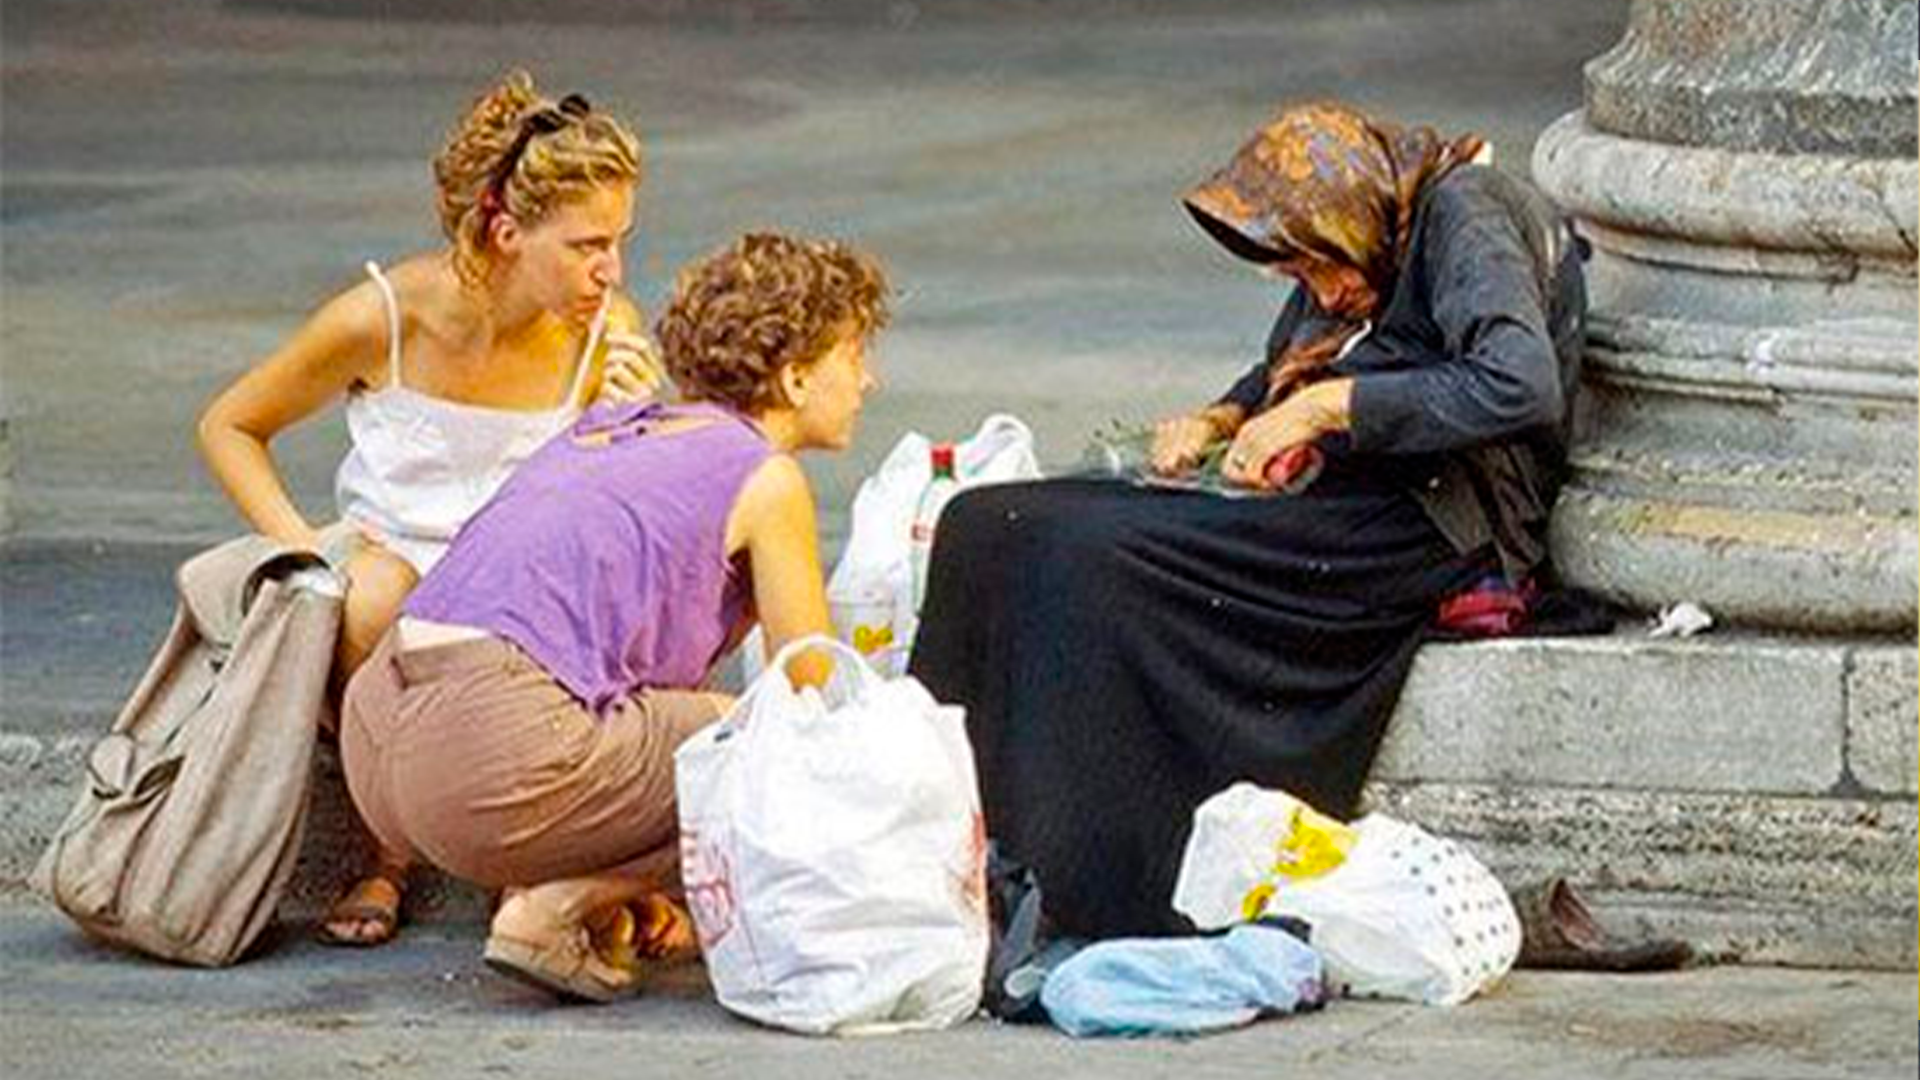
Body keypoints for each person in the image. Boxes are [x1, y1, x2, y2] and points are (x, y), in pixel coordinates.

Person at [909, 101, 1586, 940]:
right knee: (989, 523)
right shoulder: (1368, 231)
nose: (1324, 292)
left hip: (1431, 519)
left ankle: (1085, 876)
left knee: (1088, 555)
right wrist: (1223, 419)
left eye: (1319, 267)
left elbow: (1518, 382)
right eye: (1299, 275)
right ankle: (945, 849)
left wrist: (1325, 412)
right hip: (1348, 489)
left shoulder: (1462, 213)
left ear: (1350, 213)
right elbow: (1282, 370)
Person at [337, 231, 889, 1002]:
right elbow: (811, 687)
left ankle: (593, 891)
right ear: (797, 378)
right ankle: (556, 905)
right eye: (855, 356)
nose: (870, 379)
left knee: (683, 727)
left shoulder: (604, 428)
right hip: (489, 755)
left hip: (379, 745)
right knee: (782, 744)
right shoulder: (764, 476)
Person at [196, 71, 660, 946]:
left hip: (525, 577)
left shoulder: (607, 328)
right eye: (587, 245)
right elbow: (230, 424)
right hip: (395, 565)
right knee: (371, 594)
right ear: (506, 229)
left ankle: (520, 853)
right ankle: (387, 853)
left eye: (621, 242)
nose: (612, 270)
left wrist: (633, 423)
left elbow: (617, 510)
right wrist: (304, 554)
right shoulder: (384, 317)